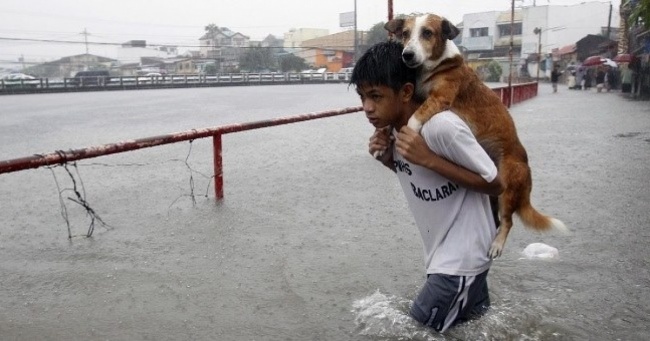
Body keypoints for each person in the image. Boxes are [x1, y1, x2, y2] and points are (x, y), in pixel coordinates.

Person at [350, 41, 503, 333]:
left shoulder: (441, 126)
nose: (367, 108)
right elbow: (423, 178)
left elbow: (496, 183)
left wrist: (429, 158)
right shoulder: (396, 129)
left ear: (406, 91)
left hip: (459, 262)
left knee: (413, 333)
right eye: (362, 97)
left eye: (375, 96)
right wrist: (387, 159)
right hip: (449, 258)